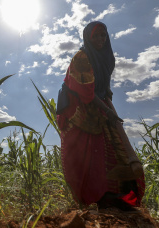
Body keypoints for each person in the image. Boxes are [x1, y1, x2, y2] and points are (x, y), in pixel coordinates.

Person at [56, 21, 145, 210]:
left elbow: (103, 84)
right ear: (88, 38)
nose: (100, 39)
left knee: (110, 146)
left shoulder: (106, 57)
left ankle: (114, 195)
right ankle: (93, 197)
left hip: (99, 104)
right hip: (78, 110)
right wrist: (108, 112)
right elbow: (87, 93)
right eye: (95, 36)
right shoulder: (81, 57)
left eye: (103, 35)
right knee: (87, 153)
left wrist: (108, 96)